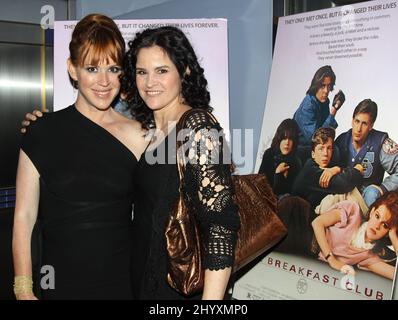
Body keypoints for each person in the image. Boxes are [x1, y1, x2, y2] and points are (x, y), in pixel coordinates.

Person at [13, 14, 147, 300]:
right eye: (91, 68)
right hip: (56, 282)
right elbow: (24, 218)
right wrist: (23, 290)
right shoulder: (41, 132)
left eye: (113, 69)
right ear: (72, 69)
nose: (103, 81)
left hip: (119, 283)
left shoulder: (142, 136)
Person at [119, 26, 240, 300]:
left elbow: (220, 226)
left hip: (178, 289)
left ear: (184, 70)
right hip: (145, 280)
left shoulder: (197, 127)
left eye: (162, 70)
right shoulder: (150, 130)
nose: (150, 82)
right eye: (142, 72)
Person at [311, 191, 398, 280]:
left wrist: (394, 236)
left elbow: (395, 276)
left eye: (385, 225)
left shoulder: (368, 256)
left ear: (388, 232)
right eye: (377, 216)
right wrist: (331, 259)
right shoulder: (353, 211)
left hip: (310, 257)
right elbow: (317, 223)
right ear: (372, 212)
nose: (377, 226)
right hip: (306, 228)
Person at [335, 99, 398, 207]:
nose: (358, 128)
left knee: (371, 193)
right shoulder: (342, 140)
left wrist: (383, 188)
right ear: (352, 120)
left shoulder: (381, 142)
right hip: (343, 195)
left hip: (368, 199)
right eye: (357, 121)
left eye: (364, 123)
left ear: (371, 126)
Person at [292, 127, 363, 210]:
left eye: (329, 148)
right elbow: (345, 184)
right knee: (348, 193)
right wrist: (357, 170)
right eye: (321, 148)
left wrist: (335, 169)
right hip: (303, 216)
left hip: (315, 213)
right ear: (313, 154)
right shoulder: (311, 171)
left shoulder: (324, 166)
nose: (325, 153)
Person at [293, 65, 345, 164]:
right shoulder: (307, 106)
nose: (326, 91)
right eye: (322, 86)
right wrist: (333, 111)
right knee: (335, 152)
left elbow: (327, 133)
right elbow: (318, 139)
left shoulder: (324, 102)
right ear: (316, 85)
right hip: (301, 148)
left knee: (339, 146)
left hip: (316, 146)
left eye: (329, 86)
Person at [258, 119, 301, 197]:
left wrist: (279, 176)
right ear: (279, 139)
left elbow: (288, 194)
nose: (287, 143)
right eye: (284, 138)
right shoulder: (269, 154)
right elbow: (259, 183)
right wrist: (278, 172)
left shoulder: (296, 162)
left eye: (291, 139)